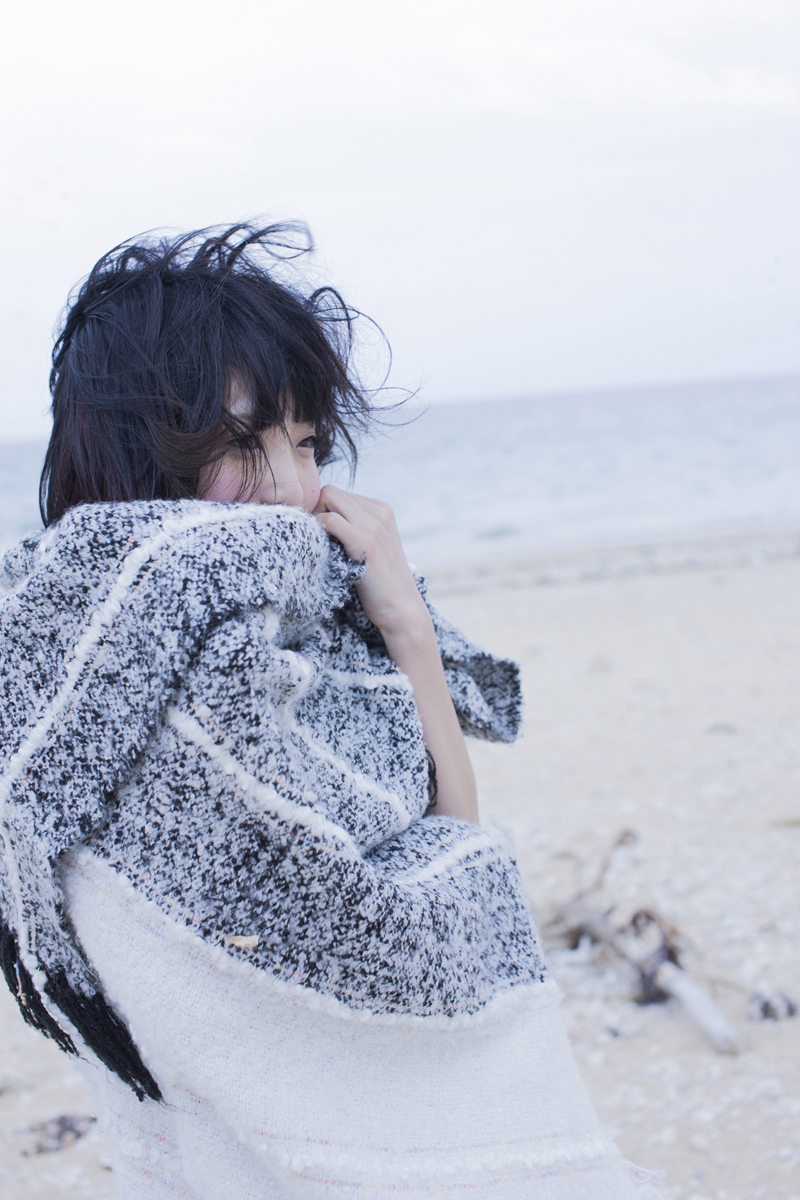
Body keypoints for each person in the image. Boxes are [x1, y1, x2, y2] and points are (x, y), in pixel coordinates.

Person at [0, 223, 657, 1198]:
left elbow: (445, 868)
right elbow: (423, 950)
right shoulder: (100, 683)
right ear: (136, 455)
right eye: (239, 443)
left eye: (304, 442)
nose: (290, 490)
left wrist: (409, 632)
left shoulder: (297, 643)